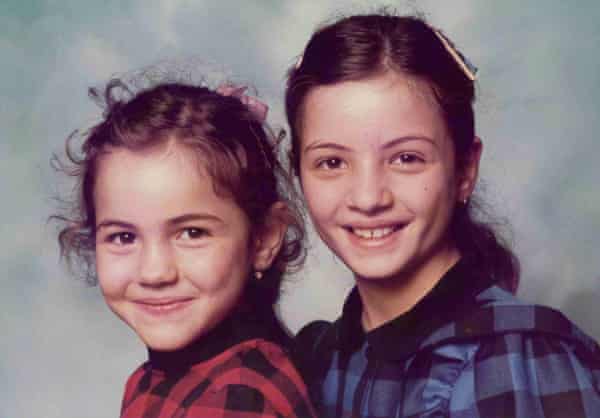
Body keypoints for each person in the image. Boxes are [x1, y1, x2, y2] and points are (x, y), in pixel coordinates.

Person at [285, 12, 600, 418]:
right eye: (331, 162)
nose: (367, 198)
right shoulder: (324, 359)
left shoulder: (510, 361)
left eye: (406, 158)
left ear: (465, 170)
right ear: (297, 174)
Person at [55, 80, 316, 417]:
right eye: (123, 237)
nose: (155, 272)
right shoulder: (159, 379)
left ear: (264, 238)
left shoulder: (239, 395)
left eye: (192, 233)